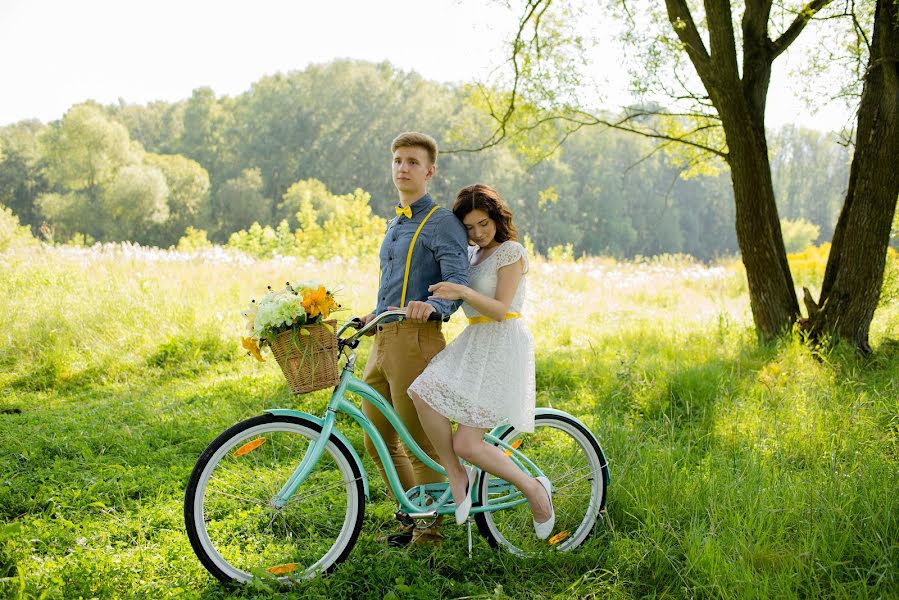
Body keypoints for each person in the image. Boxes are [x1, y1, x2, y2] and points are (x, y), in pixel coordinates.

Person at [407, 183, 555, 539]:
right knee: (422, 392)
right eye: (469, 227)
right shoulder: (472, 256)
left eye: (483, 224)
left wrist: (462, 290)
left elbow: (503, 309)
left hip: (502, 343)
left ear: (497, 218)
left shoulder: (511, 253)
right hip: (474, 340)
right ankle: (457, 474)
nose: (477, 233)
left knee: (468, 443)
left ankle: (535, 490)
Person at [359, 132, 470, 546]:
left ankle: (429, 535)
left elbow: (456, 280)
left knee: (420, 443)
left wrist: (434, 307)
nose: (402, 168)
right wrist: (374, 312)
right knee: (377, 440)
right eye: (397, 161)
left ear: (429, 170)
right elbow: (393, 284)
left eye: (412, 162)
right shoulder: (396, 223)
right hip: (382, 339)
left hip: (416, 342)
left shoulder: (441, 221)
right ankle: (413, 513)